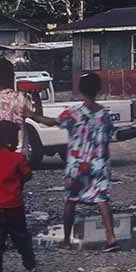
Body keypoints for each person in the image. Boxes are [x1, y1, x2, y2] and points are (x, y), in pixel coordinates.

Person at [28, 72, 118, 250]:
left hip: (77, 165)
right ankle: (110, 235)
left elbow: (50, 122)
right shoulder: (104, 115)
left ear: (80, 90)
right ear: (98, 90)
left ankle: (67, 239)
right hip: (99, 164)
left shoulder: (73, 113)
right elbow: (108, 136)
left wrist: (31, 114)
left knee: (71, 200)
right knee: (101, 199)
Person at [0, 119, 36, 272]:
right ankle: (30, 264)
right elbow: (27, 175)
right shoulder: (18, 158)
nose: (17, 141)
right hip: (14, 204)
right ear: (8, 140)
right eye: (15, 138)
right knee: (21, 235)